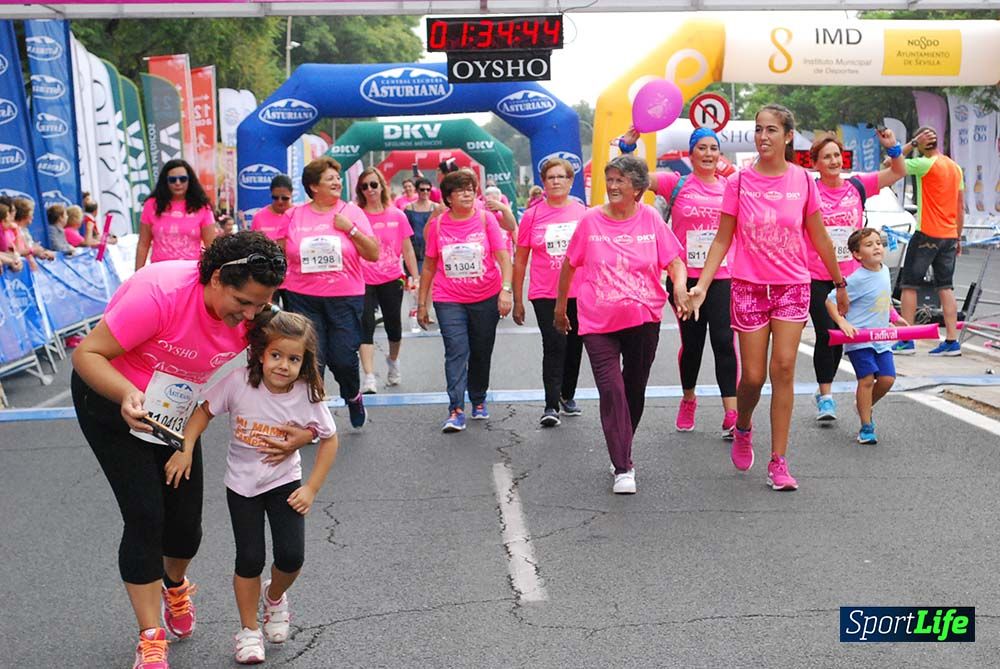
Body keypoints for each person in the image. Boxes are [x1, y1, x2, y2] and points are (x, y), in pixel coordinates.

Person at [70, 232, 313, 669]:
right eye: (243, 301)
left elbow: (296, 365)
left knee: (185, 530)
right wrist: (127, 394)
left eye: (261, 304)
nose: (251, 314)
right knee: (145, 516)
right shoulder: (159, 292)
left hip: (173, 410)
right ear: (218, 278)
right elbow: (88, 353)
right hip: (110, 397)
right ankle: (150, 634)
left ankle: (174, 585)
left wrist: (305, 430)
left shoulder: (257, 316)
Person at [689, 103, 849, 492]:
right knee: (754, 377)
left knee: (783, 369)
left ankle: (778, 461)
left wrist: (840, 283)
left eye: (771, 130)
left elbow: (820, 237)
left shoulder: (802, 181)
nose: (763, 137)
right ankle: (743, 425)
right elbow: (723, 238)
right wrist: (702, 285)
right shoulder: (739, 183)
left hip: (793, 285)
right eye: (759, 130)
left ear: (788, 136)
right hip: (747, 286)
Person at [174, 310, 338, 665]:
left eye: (293, 359)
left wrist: (311, 488)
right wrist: (185, 448)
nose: (283, 365)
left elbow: (329, 439)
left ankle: (275, 597)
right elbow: (203, 411)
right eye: (276, 355)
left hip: (285, 483)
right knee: (249, 558)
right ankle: (248, 631)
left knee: (292, 556)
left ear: (305, 362)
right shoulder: (238, 382)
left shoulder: (306, 393)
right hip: (242, 486)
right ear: (261, 353)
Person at [556, 155, 690, 494]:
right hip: (597, 320)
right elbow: (570, 266)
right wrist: (560, 309)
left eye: (620, 180)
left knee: (634, 388)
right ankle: (623, 465)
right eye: (610, 179)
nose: (613, 186)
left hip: (643, 319)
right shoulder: (590, 221)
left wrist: (678, 286)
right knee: (611, 390)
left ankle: (621, 443)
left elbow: (674, 260)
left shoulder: (651, 219)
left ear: (638, 188)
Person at [621, 125, 739, 437]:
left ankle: (732, 412)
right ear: (691, 153)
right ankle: (688, 398)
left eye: (714, 148)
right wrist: (627, 148)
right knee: (694, 343)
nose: (709, 154)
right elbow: (636, 177)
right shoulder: (677, 183)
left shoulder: (730, 185)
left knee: (725, 340)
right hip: (684, 277)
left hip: (722, 274)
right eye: (702, 148)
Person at [807, 129, 907, 421]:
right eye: (826, 157)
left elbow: (898, 171)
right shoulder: (809, 190)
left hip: (855, 280)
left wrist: (892, 147)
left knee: (847, 337)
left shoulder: (857, 185)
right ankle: (825, 396)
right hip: (819, 275)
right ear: (816, 163)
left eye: (837, 155)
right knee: (829, 334)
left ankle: (849, 390)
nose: (834, 160)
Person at [279, 156, 380, 429]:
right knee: (314, 359)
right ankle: (313, 418)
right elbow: (278, 253)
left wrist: (352, 230)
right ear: (313, 186)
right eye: (330, 178)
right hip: (302, 296)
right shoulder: (294, 215)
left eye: (337, 178)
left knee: (343, 359)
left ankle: (353, 395)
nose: (337, 182)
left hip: (345, 297)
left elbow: (373, 253)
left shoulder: (352, 212)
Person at [417, 168, 512, 432]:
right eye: (460, 190)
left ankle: (478, 398)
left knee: (481, 351)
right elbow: (429, 266)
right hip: (449, 298)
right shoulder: (437, 225)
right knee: (456, 351)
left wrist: (506, 290)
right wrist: (421, 303)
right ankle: (456, 408)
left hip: (486, 295)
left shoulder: (485, 219)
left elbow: (503, 257)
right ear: (448, 198)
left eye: (470, 189)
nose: (467, 194)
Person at [512, 157, 588, 427]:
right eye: (551, 177)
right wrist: (517, 299)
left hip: (580, 291)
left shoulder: (583, 212)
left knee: (575, 345)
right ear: (543, 183)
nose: (556, 181)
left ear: (570, 181)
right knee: (555, 344)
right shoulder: (532, 215)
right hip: (545, 292)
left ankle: (568, 394)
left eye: (561, 177)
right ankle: (550, 404)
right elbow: (520, 259)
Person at [826, 228, 907, 445]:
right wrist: (842, 322)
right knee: (867, 380)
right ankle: (866, 426)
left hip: (881, 337)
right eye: (869, 245)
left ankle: (863, 404)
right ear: (857, 254)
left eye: (878, 243)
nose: (877, 247)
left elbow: (883, 298)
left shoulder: (883, 271)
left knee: (888, 379)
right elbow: (830, 300)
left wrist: (894, 316)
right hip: (859, 339)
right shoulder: (856, 279)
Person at [893, 126, 964, 357]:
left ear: (923, 143)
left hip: (927, 234)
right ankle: (952, 340)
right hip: (949, 235)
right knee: (946, 286)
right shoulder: (954, 167)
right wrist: (958, 235)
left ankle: (907, 339)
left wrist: (911, 144)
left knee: (909, 285)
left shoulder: (923, 164)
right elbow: (959, 206)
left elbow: (890, 163)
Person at [355, 167, 419, 393]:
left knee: (394, 325)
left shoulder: (397, 215)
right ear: (360, 190)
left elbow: (408, 250)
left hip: (392, 277)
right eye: (365, 186)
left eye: (374, 184)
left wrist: (415, 277)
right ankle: (369, 376)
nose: (370, 190)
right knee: (366, 325)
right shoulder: (357, 215)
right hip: (363, 278)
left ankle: (393, 361)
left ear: (382, 186)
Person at [136, 159, 217, 270]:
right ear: (166, 181)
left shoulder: (202, 207)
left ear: (190, 181)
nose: (178, 183)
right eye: (172, 180)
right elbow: (143, 244)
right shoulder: (151, 205)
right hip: (159, 272)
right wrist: (137, 274)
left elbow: (211, 246)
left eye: (183, 179)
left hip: (191, 272)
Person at [404, 177, 435, 272]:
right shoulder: (409, 208)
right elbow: (405, 230)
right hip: (414, 248)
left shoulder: (436, 208)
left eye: (428, 189)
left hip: (430, 247)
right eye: (422, 189)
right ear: (417, 190)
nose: (425, 192)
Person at [12, 197, 56, 265]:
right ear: (24, 215)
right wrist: (34, 250)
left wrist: (43, 252)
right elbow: (20, 251)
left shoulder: (24, 230)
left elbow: (32, 247)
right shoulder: (15, 230)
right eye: (31, 214)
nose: (33, 217)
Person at [251, 174, 294, 241]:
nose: (280, 201)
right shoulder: (259, 217)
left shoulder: (299, 215)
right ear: (271, 194)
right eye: (275, 198)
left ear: (291, 194)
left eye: (285, 198)